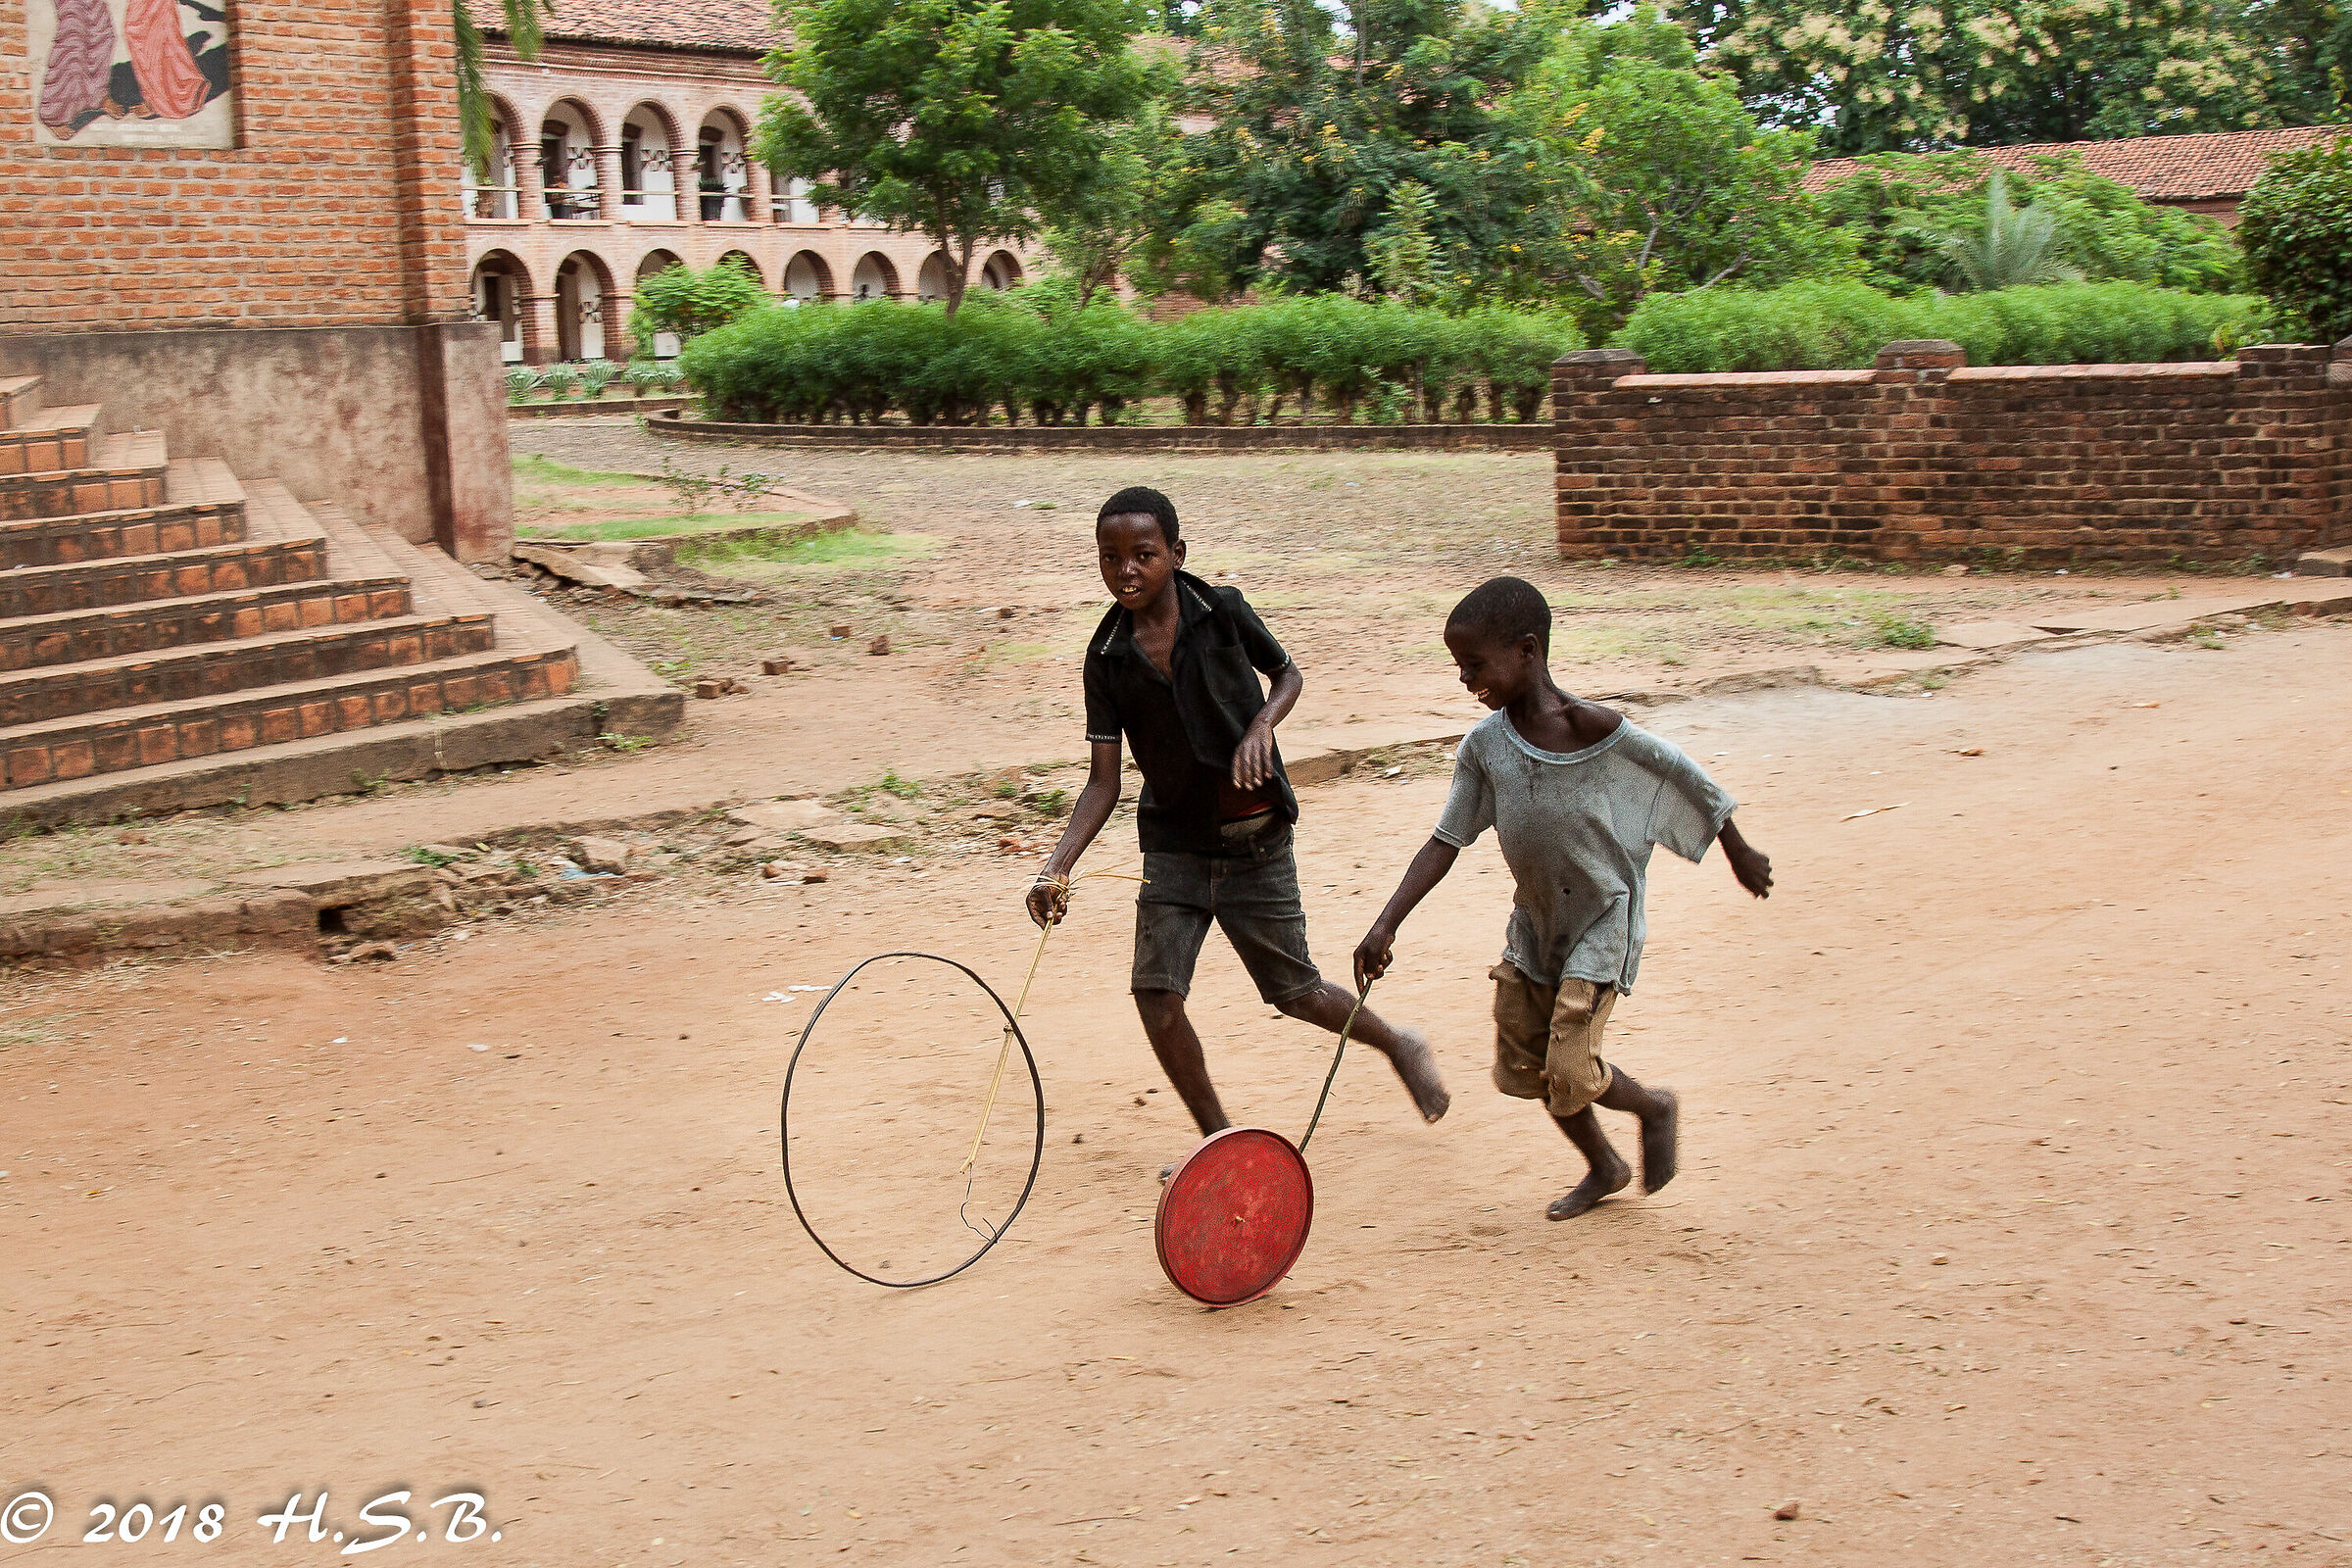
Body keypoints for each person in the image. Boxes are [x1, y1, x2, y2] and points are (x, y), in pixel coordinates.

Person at [1027, 487, 1450, 1157]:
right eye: (1110, 558)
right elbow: (1103, 783)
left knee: (1297, 992)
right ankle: (1219, 1141)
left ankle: (1398, 1042)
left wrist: (1261, 727)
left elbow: (1287, 675)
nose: (1126, 571)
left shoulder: (1221, 611)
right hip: (1175, 848)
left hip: (1257, 845)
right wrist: (1055, 867)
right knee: (1155, 996)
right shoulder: (1106, 657)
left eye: (1143, 555)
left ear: (1176, 554)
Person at [1352, 576, 1773, 1220]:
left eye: (1475, 664)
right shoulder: (1484, 748)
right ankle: (1603, 1165)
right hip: (1536, 924)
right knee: (1530, 1061)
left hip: (1603, 917)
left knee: (1572, 1066)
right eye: (1459, 665)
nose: (1465, 679)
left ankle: (1652, 1106)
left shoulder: (1592, 728)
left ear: (1527, 650)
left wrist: (1736, 848)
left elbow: (1679, 772)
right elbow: (1445, 840)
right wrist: (1386, 924)